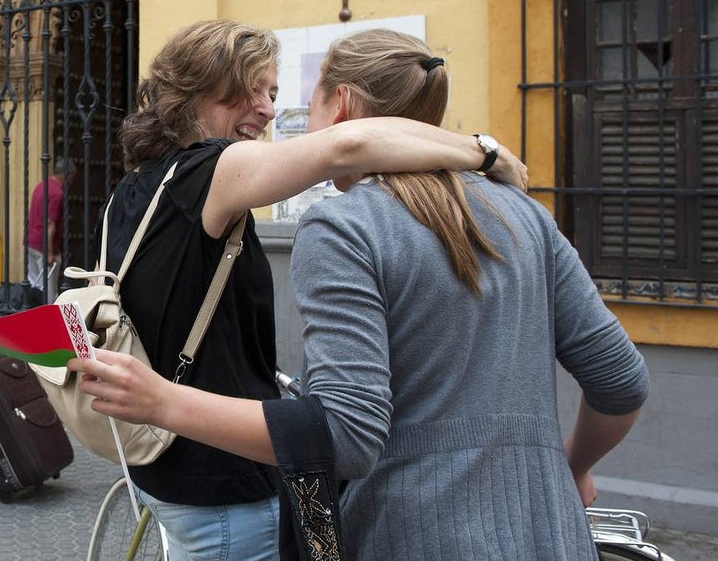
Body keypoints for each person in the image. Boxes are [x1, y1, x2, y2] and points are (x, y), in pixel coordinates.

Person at [71, 28, 650, 560]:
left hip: (404, 531)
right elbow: (621, 379)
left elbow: (346, 431)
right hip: (550, 534)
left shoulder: (153, 192)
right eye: (251, 91)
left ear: (342, 104)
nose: (273, 111)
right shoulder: (524, 215)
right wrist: (569, 466)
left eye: (281, 93)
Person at [26, 158, 76, 302]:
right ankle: (47, 317)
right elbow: (50, 224)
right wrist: (50, 253)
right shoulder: (57, 193)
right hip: (44, 247)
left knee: (34, 283)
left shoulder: (41, 185)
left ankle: (33, 314)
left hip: (31, 242)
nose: (71, 183)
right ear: (66, 175)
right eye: (71, 178)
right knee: (49, 289)